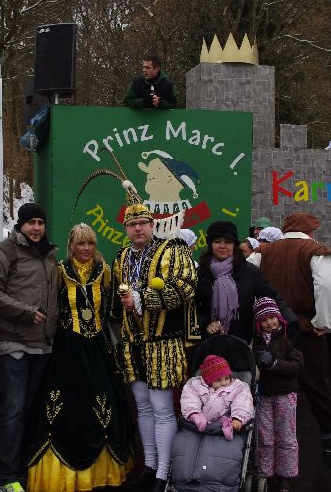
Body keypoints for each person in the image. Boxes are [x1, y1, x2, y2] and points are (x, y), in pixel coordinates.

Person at [25, 224, 133, 490]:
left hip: (97, 347)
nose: (86, 249)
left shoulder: (104, 271)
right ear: (71, 246)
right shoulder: (60, 270)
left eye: (90, 243)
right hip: (67, 347)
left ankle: (102, 472)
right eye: (80, 244)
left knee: (102, 401)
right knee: (66, 403)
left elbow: (113, 310)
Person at [110, 189, 196, 492]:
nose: (137, 229)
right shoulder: (121, 257)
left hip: (163, 341)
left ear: (151, 224)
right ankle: (148, 464)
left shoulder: (173, 250)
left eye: (142, 223)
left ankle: (163, 472)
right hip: (133, 343)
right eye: (132, 224)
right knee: (143, 407)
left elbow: (186, 287)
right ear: (126, 228)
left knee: (161, 408)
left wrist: (143, 298)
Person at [254, 212, 331, 453]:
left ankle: (267, 439)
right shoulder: (314, 250)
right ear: (310, 230)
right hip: (305, 326)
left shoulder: (265, 251)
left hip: (271, 325)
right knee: (316, 380)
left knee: (270, 380)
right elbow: (325, 286)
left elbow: (250, 279)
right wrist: (321, 322)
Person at [0, 203, 59, 492]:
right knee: (13, 412)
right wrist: (26, 312)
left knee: (30, 411)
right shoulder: (3, 252)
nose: (36, 228)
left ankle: (25, 471)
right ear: (20, 224)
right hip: (12, 343)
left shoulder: (49, 254)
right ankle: (7, 479)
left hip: (42, 345)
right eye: (31, 223)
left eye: (40, 222)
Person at [196, 221, 297, 344]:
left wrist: (292, 322)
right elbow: (191, 307)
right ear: (210, 244)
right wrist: (205, 324)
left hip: (242, 341)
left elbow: (273, 297)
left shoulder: (248, 270)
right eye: (217, 241)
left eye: (228, 242)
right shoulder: (200, 272)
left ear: (234, 245)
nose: (222, 246)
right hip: (208, 341)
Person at [251, 297, 304, 492]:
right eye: (264, 320)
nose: (269, 323)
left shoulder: (288, 338)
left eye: (272, 318)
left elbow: (297, 365)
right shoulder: (256, 341)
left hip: (285, 393)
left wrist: (275, 364)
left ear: (278, 317)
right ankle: (266, 473)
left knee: (286, 435)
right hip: (265, 394)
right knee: (265, 436)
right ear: (259, 323)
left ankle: (285, 476)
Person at [180, 354, 254, 441]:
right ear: (209, 381)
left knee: (239, 404)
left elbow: (243, 401)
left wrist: (238, 418)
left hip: (223, 420)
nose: (224, 383)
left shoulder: (237, 387)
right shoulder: (197, 385)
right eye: (218, 380)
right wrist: (194, 413)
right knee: (182, 441)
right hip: (200, 421)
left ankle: (229, 425)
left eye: (227, 378)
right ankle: (195, 416)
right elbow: (189, 398)